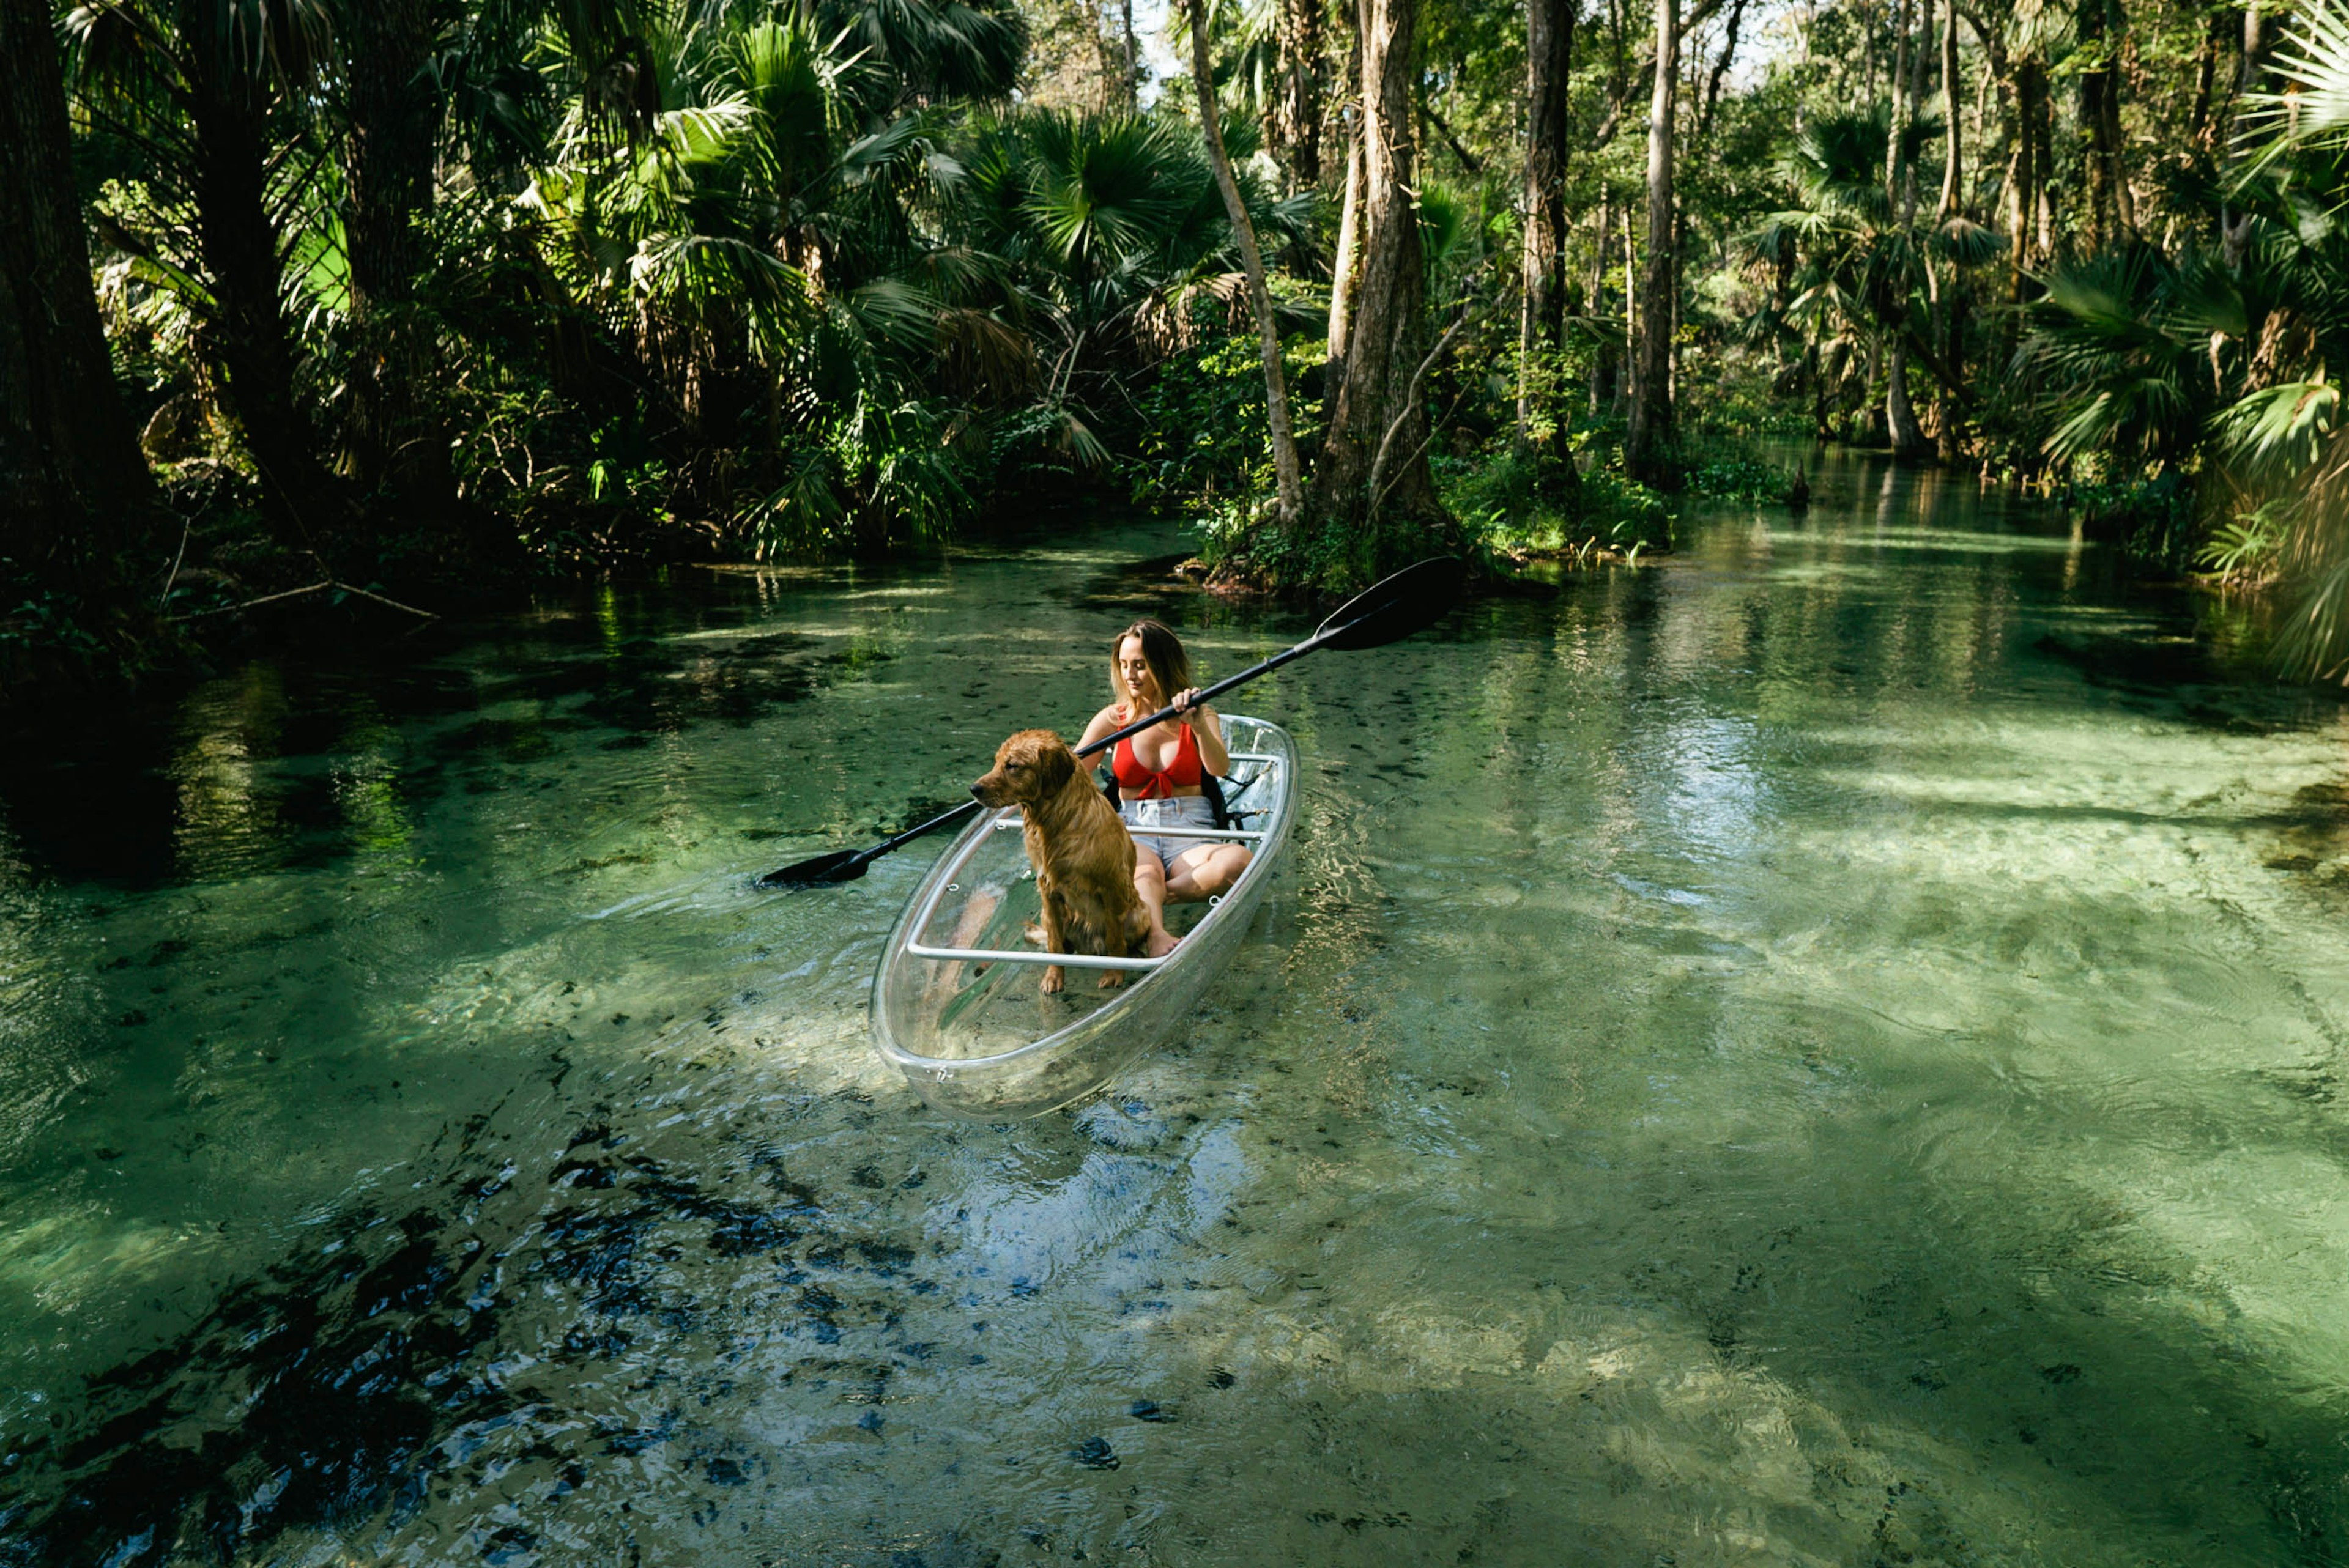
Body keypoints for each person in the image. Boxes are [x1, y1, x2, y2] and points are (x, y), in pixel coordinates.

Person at [1075, 619, 1252, 959]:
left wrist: (1197, 725)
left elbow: (1219, 768)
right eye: (1124, 665)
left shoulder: (1201, 713)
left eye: (1140, 665)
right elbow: (1071, 772)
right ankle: (1156, 934)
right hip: (1136, 830)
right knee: (1144, 869)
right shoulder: (1113, 719)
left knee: (1238, 861)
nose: (1130, 675)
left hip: (1192, 831)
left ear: (1163, 664)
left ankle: (1149, 897)